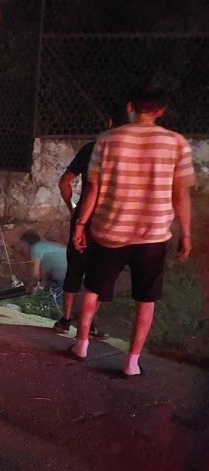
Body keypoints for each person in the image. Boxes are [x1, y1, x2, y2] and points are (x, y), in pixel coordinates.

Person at [71, 84, 195, 376]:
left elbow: (93, 189)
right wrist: (186, 232)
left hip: (110, 230)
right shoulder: (176, 143)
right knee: (146, 298)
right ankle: (131, 362)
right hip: (153, 234)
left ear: (130, 106)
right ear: (160, 110)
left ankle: (81, 345)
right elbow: (181, 195)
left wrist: (81, 223)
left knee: (92, 289)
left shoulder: (108, 140)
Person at [54, 103, 129, 338]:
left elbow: (64, 182)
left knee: (75, 270)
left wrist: (72, 207)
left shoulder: (91, 149)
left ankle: (65, 320)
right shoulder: (127, 155)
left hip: (83, 219)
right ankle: (89, 326)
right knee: (101, 275)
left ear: (109, 122)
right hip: (111, 222)